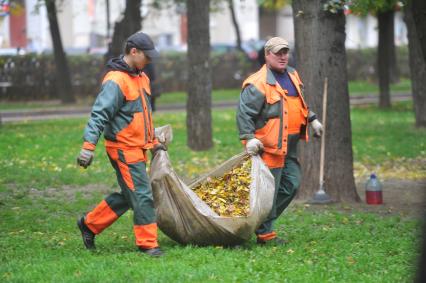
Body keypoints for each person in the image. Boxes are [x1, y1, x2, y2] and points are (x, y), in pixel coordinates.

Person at [76, 32, 166, 257]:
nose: (150, 60)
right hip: (123, 149)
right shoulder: (116, 80)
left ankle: (89, 224)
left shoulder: (141, 77)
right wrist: (88, 147)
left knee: (130, 194)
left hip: (138, 147)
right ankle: (148, 244)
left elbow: (144, 115)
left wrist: (153, 142)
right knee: (143, 195)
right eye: (147, 56)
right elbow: (99, 115)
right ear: (133, 52)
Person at [236, 37, 323, 245]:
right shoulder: (257, 82)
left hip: (290, 146)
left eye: (285, 52)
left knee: (292, 184)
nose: (283, 56)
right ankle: (265, 234)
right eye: (278, 53)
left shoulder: (292, 74)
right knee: (270, 193)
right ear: (267, 55)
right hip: (269, 147)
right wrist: (248, 138)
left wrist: (312, 119)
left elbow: (299, 103)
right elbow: (244, 114)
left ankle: (257, 222)